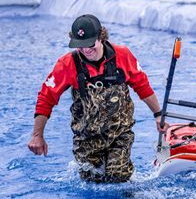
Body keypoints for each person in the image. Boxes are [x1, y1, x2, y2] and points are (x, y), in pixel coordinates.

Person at [27, 14, 169, 183]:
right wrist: (37, 135)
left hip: (119, 134)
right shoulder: (67, 64)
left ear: (101, 38)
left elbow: (142, 86)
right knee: (91, 181)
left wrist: (158, 114)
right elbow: (46, 97)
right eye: (80, 45)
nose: (86, 50)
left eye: (90, 44)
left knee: (118, 176)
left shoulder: (122, 56)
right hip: (86, 138)